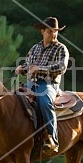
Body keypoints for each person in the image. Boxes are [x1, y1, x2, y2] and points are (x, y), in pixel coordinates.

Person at [16, 17, 69, 153]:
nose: (53, 34)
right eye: (50, 31)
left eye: (55, 31)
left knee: (45, 102)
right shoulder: (35, 48)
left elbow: (61, 67)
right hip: (31, 83)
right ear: (42, 31)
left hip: (49, 84)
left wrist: (40, 69)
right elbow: (28, 64)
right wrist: (21, 68)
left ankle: (53, 139)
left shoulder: (61, 49)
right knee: (15, 100)